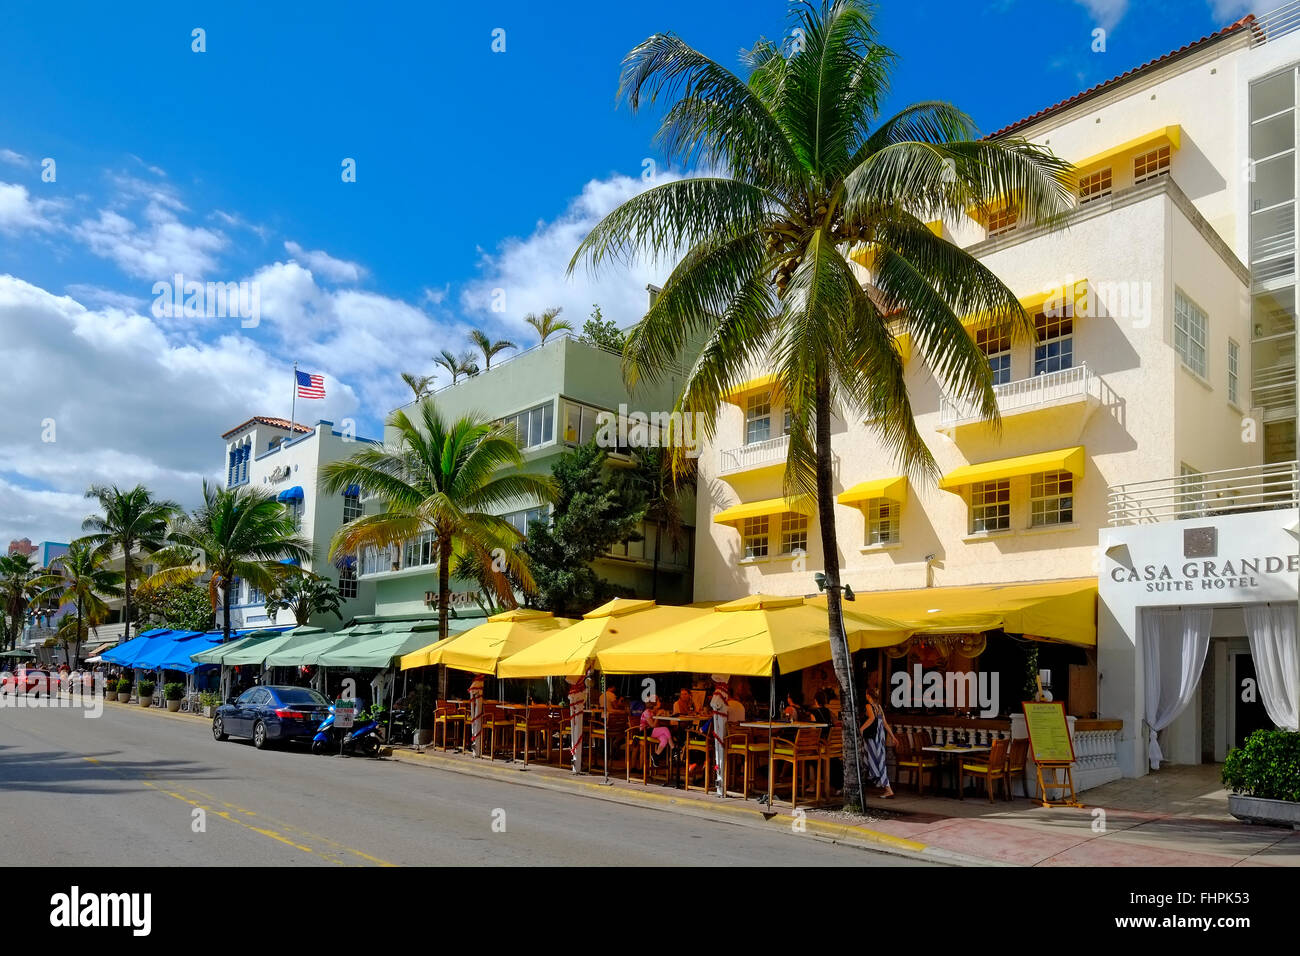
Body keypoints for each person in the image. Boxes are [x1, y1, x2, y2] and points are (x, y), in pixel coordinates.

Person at [859, 684, 898, 798]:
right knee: (878, 761)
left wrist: (861, 729)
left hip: (872, 738)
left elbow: (871, 719)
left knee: (872, 761)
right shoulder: (879, 707)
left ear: (868, 695)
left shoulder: (869, 706)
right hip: (880, 738)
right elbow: (885, 724)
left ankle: (888, 789)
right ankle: (884, 787)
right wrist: (893, 737)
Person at [707, 675, 731, 797]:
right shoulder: (723, 692)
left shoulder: (720, 691)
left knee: (719, 751)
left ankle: (721, 783)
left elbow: (714, 704)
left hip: (721, 732)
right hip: (726, 734)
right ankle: (720, 782)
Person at [641, 695, 673, 767]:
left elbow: (657, 725)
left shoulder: (653, 712)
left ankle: (656, 755)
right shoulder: (647, 712)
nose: (659, 702)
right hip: (645, 731)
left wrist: (659, 714)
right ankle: (673, 748)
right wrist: (658, 715)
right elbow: (652, 725)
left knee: (664, 739)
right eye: (658, 700)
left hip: (652, 731)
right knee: (665, 729)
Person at [468, 672, 486, 757]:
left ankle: (477, 747)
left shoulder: (478, 683)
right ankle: (476, 746)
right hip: (484, 717)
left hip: (484, 716)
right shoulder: (477, 683)